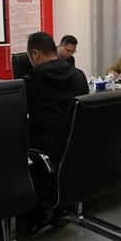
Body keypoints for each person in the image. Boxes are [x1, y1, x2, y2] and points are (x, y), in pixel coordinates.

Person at [24, 32, 89, 166]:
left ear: (35, 54)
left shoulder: (32, 81)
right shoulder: (79, 75)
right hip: (75, 143)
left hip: (44, 147)